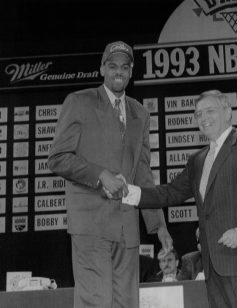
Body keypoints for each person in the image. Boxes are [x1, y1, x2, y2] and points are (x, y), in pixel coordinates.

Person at [123, 90, 237, 308]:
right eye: (198, 114)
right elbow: (170, 192)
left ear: (228, 112)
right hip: (213, 268)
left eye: (210, 111)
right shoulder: (197, 160)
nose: (203, 118)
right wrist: (128, 192)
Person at [47, 40, 172, 308]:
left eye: (124, 67)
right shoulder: (79, 102)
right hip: (90, 223)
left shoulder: (140, 112)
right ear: (102, 68)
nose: (119, 71)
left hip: (127, 226)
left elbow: (142, 173)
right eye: (112, 65)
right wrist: (99, 174)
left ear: (131, 72)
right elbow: (57, 158)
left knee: (127, 303)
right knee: (96, 302)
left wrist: (158, 225)